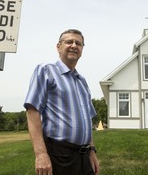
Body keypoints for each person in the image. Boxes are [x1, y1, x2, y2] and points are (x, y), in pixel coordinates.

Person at [24, 29, 100, 175]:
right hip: (60, 155)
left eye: (78, 43)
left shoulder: (82, 81)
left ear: (82, 49)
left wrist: (91, 151)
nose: (74, 45)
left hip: (84, 156)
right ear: (58, 47)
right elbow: (32, 111)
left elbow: (87, 120)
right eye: (69, 42)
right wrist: (41, 155)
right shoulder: (46, 70)